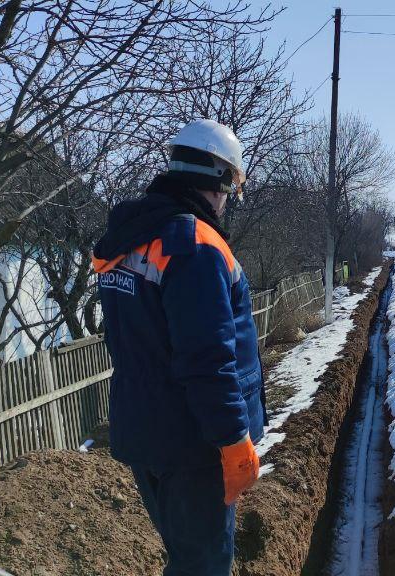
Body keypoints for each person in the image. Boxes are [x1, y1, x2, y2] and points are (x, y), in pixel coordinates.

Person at [93, 119, 266, 575]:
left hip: (143, 430)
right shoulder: (197, 247)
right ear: (222, 180)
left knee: (187, 557)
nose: (229, 201)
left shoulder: (129, 238)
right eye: (232, 188)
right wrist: (233, 441)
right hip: (194, 444)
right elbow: (208, 362)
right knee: (203, 566)